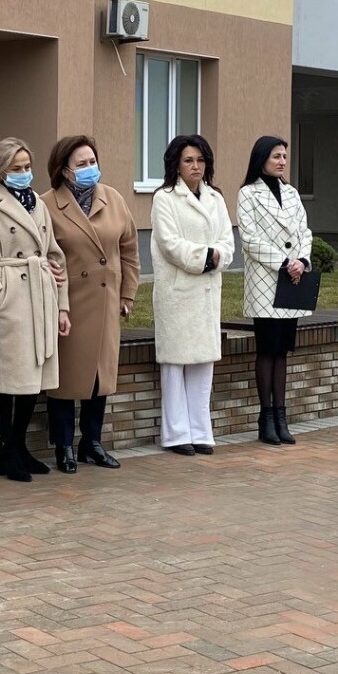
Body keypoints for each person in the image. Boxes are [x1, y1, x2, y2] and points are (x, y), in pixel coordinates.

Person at [0, 137, 70, 482]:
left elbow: (55, 255)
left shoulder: (38, 204)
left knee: (33, 377)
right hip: (11, 301)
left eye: (27, 167)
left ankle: (18, 446)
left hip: (39, 297)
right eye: (16, 168)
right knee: (9, 377)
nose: (24, 173)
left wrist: (61, 304)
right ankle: (6, 448)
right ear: (0, 171)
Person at [42, 134, 140, 473]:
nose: (89, 168)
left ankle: (92, 442)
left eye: (92, 162)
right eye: (81, 164)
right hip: (68, 304)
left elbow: (129, 250)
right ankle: (64, 445)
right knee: (66, 379)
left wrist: (127, 294)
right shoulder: (47, 204)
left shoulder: (113, 199)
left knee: (101, 376)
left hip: (106, 300)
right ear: (64, 170)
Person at [150, 134, 234, 454]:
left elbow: (227, 242)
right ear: (176, 165)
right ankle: (176, 434)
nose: (195, 166)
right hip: (177, 292)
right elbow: (170, 244)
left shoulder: (215, 198)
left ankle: (200, 432)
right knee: (175, 365)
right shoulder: (164, 198)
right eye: (188, 160)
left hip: (207, 293)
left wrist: (218, 256)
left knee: (203, 364)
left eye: (200, 160)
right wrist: (207, 257)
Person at [237, 135, 314, 446]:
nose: (282, 161)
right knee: (267, 349)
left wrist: (302, 261)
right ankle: (266, 417)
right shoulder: (248, 193)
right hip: (265, 281)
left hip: (292, 281)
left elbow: (305, 231)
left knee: (282, 351)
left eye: (284, 156)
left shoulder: (292, 193)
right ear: (262, 160)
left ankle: (281, 415)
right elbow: (250, 239)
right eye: (276, 156)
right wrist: (284, 262)